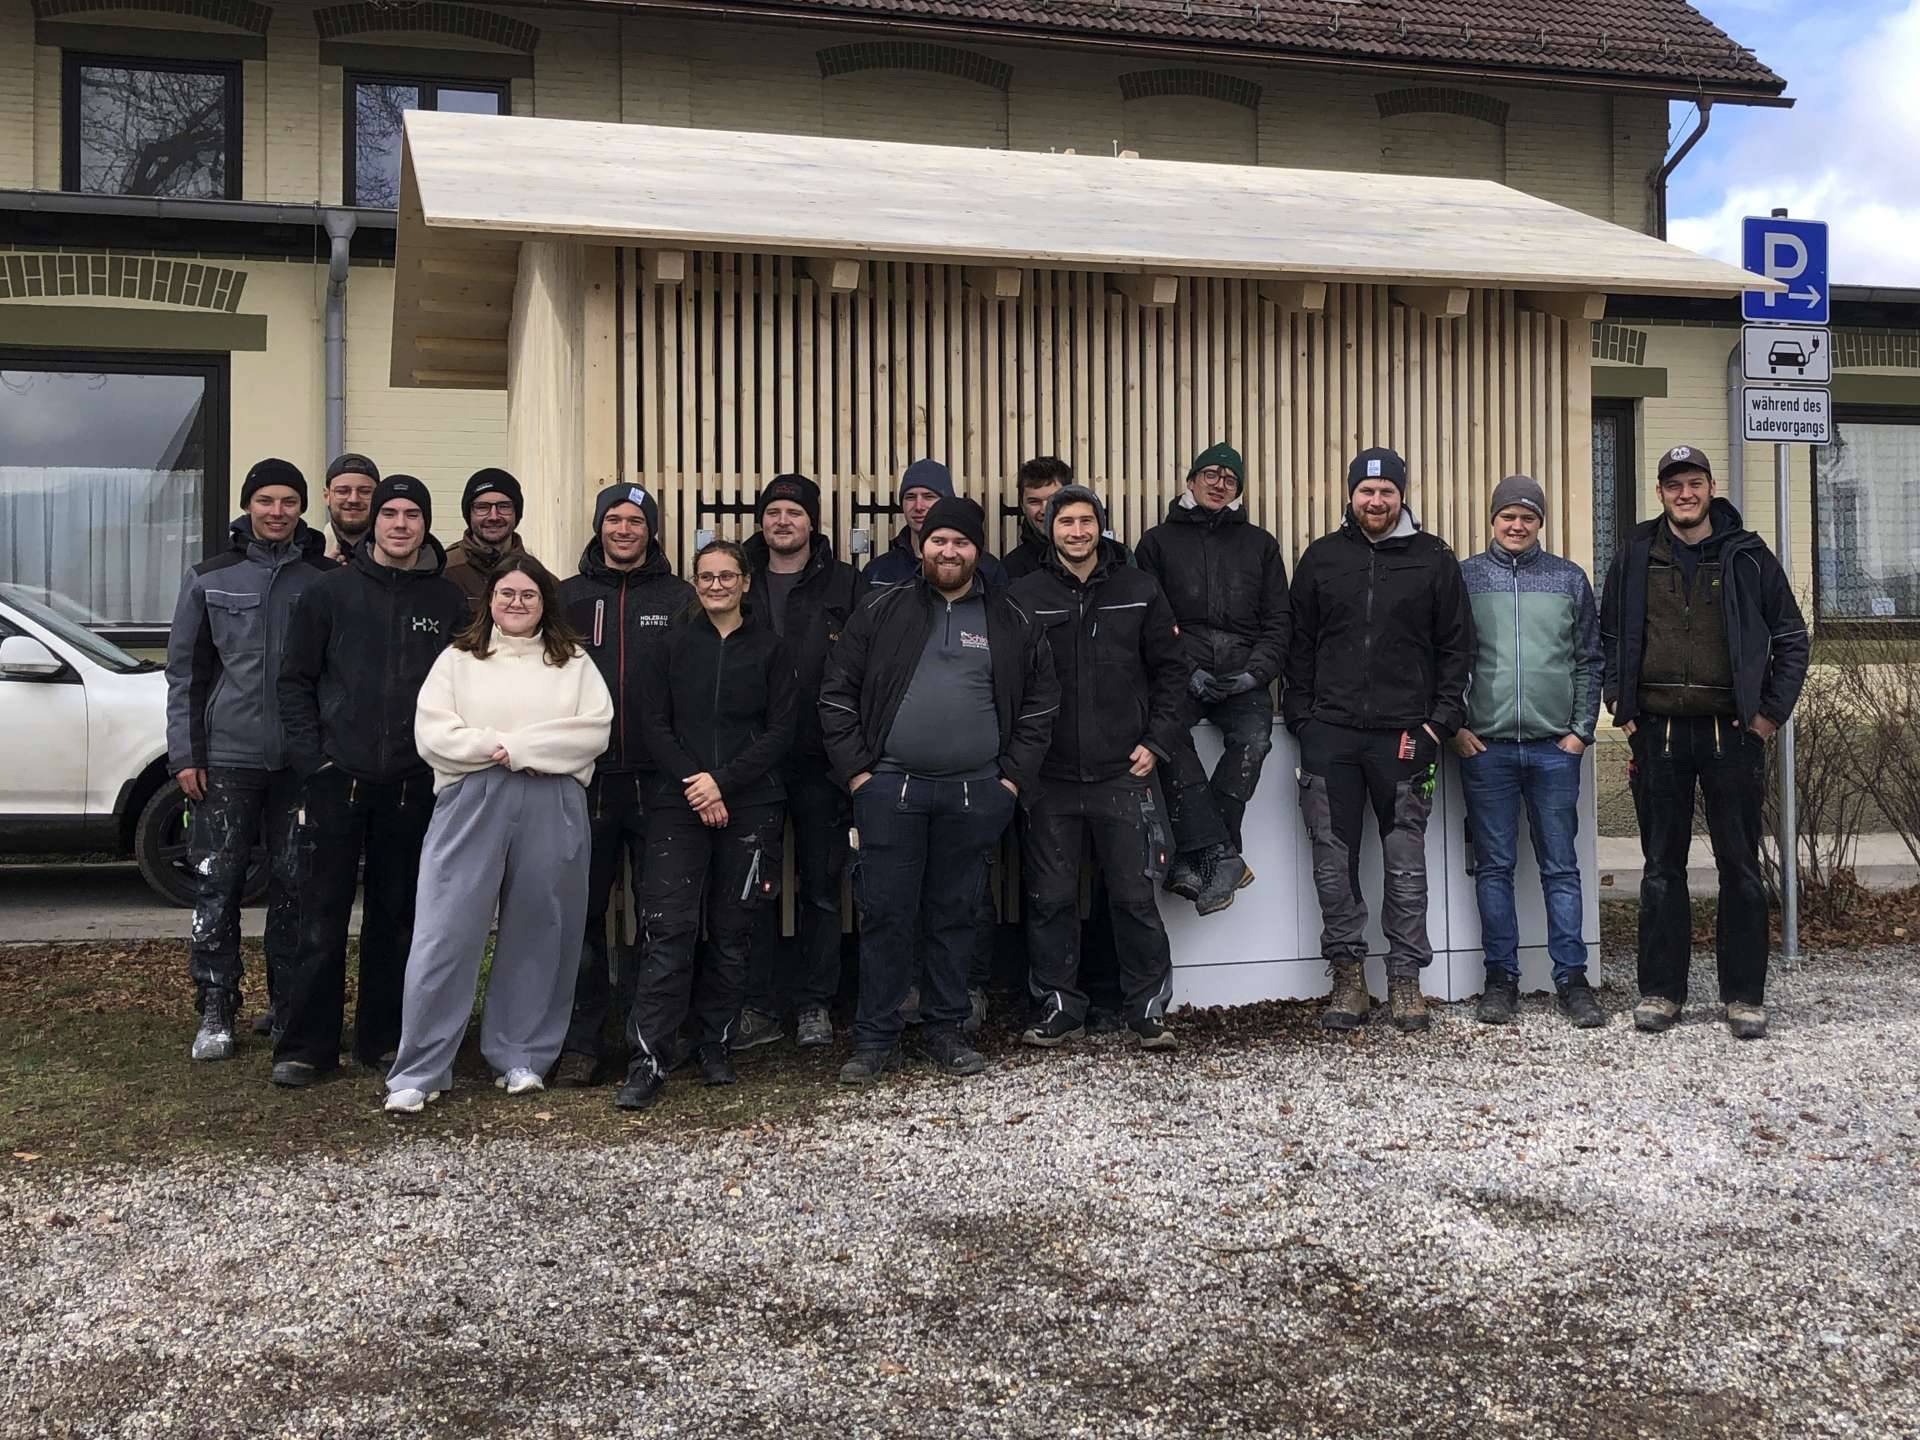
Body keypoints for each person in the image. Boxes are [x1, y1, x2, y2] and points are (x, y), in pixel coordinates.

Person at [821, 496, 1058, 1085]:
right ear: (921, 545)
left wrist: (1009, 781)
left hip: (976, 793)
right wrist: (860, 776)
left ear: (978, 550)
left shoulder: (1011, 618)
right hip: (890, 791)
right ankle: (875, 1038)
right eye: (939, 541)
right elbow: (836, 693)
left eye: (961, 542)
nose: (949, 551)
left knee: (956, 915)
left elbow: (1040, 705)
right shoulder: (881, 609)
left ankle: (945, 1031)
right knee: (885, 914)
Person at [384, 558, 613, 1113]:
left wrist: (522, 748)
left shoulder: (572, 662)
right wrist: (495, 748)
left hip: (552, 798)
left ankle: (521, 1056)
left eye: (528, 594)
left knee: (541, 927)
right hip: (472, 797)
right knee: (445, 929)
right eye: (507, 593)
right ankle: (420, 1070)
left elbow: (592, 731)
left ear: (544, 603)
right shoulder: (458, 660)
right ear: (489, 601)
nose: (516, 603)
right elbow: (433, 733)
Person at [1601, 444, 1808, 1040]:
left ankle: (1744, 997)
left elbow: (1791, 638)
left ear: (1711, 488)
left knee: (1739, 866)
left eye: (1694, 483)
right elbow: (1607, 635)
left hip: (1732, 734)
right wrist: (1622, 707)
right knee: (1661, 868)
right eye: (1674, 485)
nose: (1684, 494)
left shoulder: (1749, 555)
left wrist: (1768, 717)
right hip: (1658, 734)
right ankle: (1662, 992)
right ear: (1660, 493)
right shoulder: (1636, 554)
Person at [274, 475, 468, 1088]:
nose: (400, 524)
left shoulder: (448, 602)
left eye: (413, 514)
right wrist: (313, 762)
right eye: (390, 513)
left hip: (413, 782)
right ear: (374, 523)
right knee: (320, 917)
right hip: (337, 778)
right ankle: (307, 1047)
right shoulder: (328, 593)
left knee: (398, 917)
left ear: (425, 525)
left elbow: (467, 687)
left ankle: (383, 1039)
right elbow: (294, 681)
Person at [1285, 447, 1474, 1035]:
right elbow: (1299, 645)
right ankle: (1348, 977)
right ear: (1350, 496)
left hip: (1406, 736)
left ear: (1401, 495)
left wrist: (1438, 723)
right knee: (1332, 862)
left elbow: (1457, 647)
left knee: (1405, 863)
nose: (1376, 501)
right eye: (1366, 491)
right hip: (1331, 735)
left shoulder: (1434, 558)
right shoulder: (1322, 558)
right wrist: (1302, 718)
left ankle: (1405, 979)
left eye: (1386, 491)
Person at [617, 540, 798, 1110]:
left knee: (733, 929)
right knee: (668, 929)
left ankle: (716, 1044)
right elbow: (653, 723)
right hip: (679, 802)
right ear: (694, 584)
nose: (716, 585)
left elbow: (781, 730)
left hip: (751, 802)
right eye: (705, 576)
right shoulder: (670, 647)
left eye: (726, 576)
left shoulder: (771, 649)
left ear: (745, 582)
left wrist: (724, 782)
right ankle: (649, 1058)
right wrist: (697, 783)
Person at [165, 458, 334, 1061]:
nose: (277, 512)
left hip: (301, 761)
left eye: (289, 501)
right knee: (218, 884)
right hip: (227, 758)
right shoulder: (209, 577)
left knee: (296, 887)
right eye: (266, 500)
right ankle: (216, 1009)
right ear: (247, 506)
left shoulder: (323, 578)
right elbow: (185, 673)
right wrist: (186, 754)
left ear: (302, 508)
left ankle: (288, 1009)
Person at [1010, 484, 1186, 1051]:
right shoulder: (1024, 594)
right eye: (1066, 522)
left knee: (1134, 899)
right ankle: (1060, 1006)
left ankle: (1148, 1010)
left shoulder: (1139, 589)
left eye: (1086, 521)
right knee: (1050, 899)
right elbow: (1006, 681)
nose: (1077, 532)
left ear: (1100, 527)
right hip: (1049, 777)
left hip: (1123, 773)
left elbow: (1172, 672)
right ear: (1049, 528)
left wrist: (1156, 742)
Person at [1452, 475, 1606, 1029]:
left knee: (1560, 868)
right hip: (1485, 748)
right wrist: (1457, 728)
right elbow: (1445, 657)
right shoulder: (1464, 577)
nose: (1517, 525)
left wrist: (1581, 731)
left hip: (1553, 750)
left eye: (1528, 517)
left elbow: (1589, 659)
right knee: (1494, 869)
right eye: (1508, 516)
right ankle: (1501, 980)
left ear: (1540, 522)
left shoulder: (1568, 579)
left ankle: (1572, 981)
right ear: (1493, 520)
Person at [552, 484, 694, 1086]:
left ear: (651, 530)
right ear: (599, 525)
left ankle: (652, 1038)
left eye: (636, 520)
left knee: (661, 916)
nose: (624, 529)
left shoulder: (680, 597)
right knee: (580, 914)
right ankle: (581, 1043)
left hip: (661, 784)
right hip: (586, 782)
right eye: (614, 518)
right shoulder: (566, 597)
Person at [734, 474, 867, 1053]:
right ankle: (757, 1005)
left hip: (821, 759)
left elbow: (866, 670)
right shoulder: (739, 578)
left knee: (820, 886)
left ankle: (816, 1003)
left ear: (812, 521)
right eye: (773, 512)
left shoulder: (846, 583)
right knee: (754, 887)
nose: (782, 521)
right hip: (751, 761)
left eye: (793, 512)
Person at [1136, 443, 1291, 915]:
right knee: (1164, 738)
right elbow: (1152, 621)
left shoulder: (1261, 545)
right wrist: (1188, 671)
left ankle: (1199, 854)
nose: (1219, 484)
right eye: (1211, 474)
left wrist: (1254, 674)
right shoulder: (1156, 543)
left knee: (1254, 741)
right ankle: (1222, 854)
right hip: (1180, 673)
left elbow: (1278, 622)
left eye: (1230, 478)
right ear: (1191, 481)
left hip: (1243, 673)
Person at [863, 459, 1008, 593]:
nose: (918, 506)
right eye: (910, 497)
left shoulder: (987, 570)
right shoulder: (878, 572)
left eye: (929, 497)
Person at [444, 468, 527, 608]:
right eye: (482, 507)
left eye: (504, 506)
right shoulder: (445, 571)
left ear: (517, 513)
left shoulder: (538, 577)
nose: (494, 516)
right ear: (469, 514)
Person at [1003, 456, 1072, 581]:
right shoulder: (1011, 569)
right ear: (1022, 506)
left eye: (1053, 500)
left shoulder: (1105, 556)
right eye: (1034, 502)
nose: (1044, 510)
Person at [321, 454, 378, 563]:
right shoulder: (307, 554)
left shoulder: (398, 556)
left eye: (365, 492)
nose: (353, 499)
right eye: (342, 491)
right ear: (326, 496)